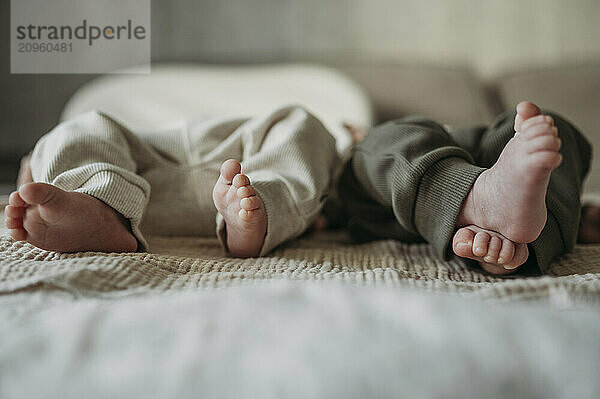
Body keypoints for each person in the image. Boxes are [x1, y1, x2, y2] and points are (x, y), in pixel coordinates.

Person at [4, 106, 338, 257]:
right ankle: (97, 207)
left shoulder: (345, 153)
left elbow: (322, 186)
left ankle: (261, 213)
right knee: (82, 127)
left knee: (303, 123)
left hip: (247, 174)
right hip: (133, 185)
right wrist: (38, 163)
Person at [333, 101, 597, 275]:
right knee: (387, 141)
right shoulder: (350, 155)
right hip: (381, 198)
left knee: (545, 128)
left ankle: (516, 238)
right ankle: (478, 202)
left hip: (473, 151)